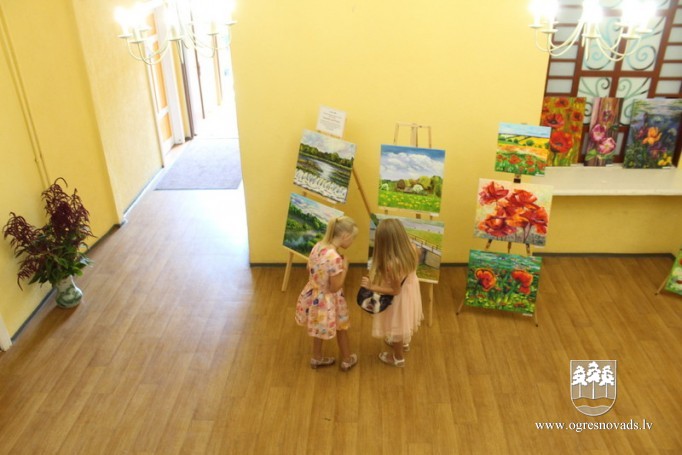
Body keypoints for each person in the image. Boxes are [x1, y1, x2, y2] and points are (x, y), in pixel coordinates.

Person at [295, 216, 359, 371]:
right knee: (341, 327)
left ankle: (316, 357)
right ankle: (347, 359)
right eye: (352, 238)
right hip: (330, 300)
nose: (352, 242)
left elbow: (309, 268)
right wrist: (345, 268)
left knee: (318, 327)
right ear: (345, 236)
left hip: (314, 295)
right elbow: (335, 287)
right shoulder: (335, 258)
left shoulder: (318, 246)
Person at [361, 218, 423, 367]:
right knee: (404, 321)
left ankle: (398, 358)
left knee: (397, 326)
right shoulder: (413, 248)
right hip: (410, 292)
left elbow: (395, 290)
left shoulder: (391, 264)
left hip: (398, 299)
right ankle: (404, 343)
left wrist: (372, 286)